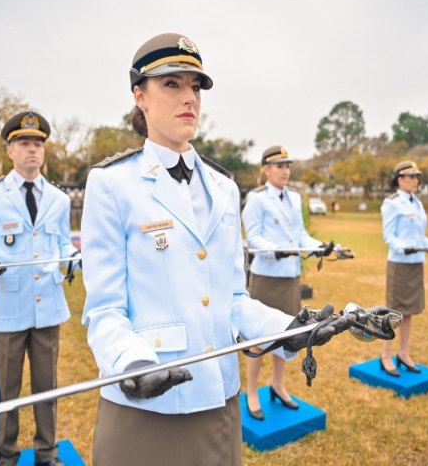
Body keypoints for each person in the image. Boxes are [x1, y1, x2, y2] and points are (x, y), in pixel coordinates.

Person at [80, 33, 331, 466]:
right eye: (171, 84)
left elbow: (232, 299)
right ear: (139, 96)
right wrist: (132, 363)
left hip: (218, 396)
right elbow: (103, 310)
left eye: (194, 86)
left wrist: (290, 329)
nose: (189, 97)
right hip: (149, 403)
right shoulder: (111, 184)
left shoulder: (223, 186)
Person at [0, 111, 77, 466]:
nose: (32, 150)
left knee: (47, 387)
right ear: (10, 151)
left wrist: (73, 256)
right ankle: (6, 454)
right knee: (8, 388)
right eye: (24, 143)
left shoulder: (59, 199)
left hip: (48, 306)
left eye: (38, 144)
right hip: (10, 307)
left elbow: (63, 243)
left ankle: (47, 453)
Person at [241, 145, 323, 420]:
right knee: (258, 338)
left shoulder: (294, 198)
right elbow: (253, 238)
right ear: (265, 169)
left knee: (287, 334)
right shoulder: (256, 199)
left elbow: (300, 235)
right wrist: (274, 249)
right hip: (266, 278)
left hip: (289, 277)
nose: (285, 170)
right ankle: (252, 391)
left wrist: (321, 246)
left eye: (287, 165)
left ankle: (278, 385)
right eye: (279, 166)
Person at [380, 160, 428, 376]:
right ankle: (386, 355)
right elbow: (389, 236)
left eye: (417, 177)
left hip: (416, 264)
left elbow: (418, 236)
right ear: (400, 179)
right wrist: (405, 248)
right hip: (400, 264)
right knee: (394, 312)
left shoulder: (417, 202)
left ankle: (403, 353)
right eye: (412, 176)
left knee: (410, 312)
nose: (416, 180)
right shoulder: (392, 203)